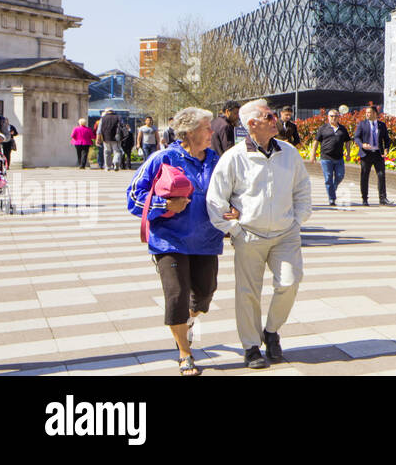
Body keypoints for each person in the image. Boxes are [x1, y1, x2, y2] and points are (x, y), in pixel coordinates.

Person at [126, 107, 235, 376]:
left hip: (206, 240)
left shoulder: (215, 160)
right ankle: (185, 353)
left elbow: (232, 193)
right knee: (176, 295)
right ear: (188, 133)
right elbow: (133, 197)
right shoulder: (162, 158)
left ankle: (187, 318)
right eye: (207, 128)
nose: (212, 132)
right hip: (168, 241)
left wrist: (234, 210)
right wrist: (164, 204)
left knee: (205, 294)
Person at [206, 98, 311, 369]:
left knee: (289, 282)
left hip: (285, 234)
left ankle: (272, 331)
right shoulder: (234, 157)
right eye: (269, 116)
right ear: (252, 123)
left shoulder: (288, 153)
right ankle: (251, 346)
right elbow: (216, 199)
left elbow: (302, 190)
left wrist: (297, 220)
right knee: (248, 293)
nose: (276, 119)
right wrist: (234, 230)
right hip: (249, 235)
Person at [354, 105, 392, 206]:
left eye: (369, 112)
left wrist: (386, 149)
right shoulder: (362, 124)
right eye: (366, 113)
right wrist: (362, 145)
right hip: (366, 154)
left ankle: (383, 198)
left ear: (375, 113)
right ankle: (365, 198)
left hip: (378, 154)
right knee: (364, 176)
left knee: (381, 175)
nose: (367, 114)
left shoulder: (381, 125)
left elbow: (386, 139)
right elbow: (356, 137)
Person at [313, 109, 350, 206]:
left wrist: (348, 153)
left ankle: (332, 189)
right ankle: (332, 198)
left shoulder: (342, 129)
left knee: (340, 176)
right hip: (326, 157)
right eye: (331, 116)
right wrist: (313, 154)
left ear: (339, 117)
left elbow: (347, 141)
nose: (334, 118)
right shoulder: (323, 128)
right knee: (328, 177)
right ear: (328, 117)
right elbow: (316, 142)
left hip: (339, 158)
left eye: (336, 116)